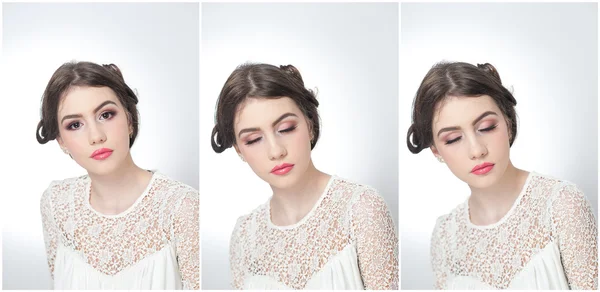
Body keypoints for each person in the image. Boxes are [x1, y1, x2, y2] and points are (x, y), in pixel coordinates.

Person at [407, 61, 598, 289]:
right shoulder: (445, 236)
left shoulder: (561, 205)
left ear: (507, 122)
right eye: (453, 139)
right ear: (436, 150)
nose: (477, 150)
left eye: (486, 127)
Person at [211, 63, 398, 289]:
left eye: (286, 128)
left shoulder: (361, 210)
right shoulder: (244, 235)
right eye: (253, 140)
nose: (275, 151)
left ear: (309, 124)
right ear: (240, 150)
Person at [37, 61, 199, 289]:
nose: (96, 136)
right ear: (61, 141)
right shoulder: (56, 203)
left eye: (106, 114)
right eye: (75, 125)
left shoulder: (182, 207)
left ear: (129, 120)